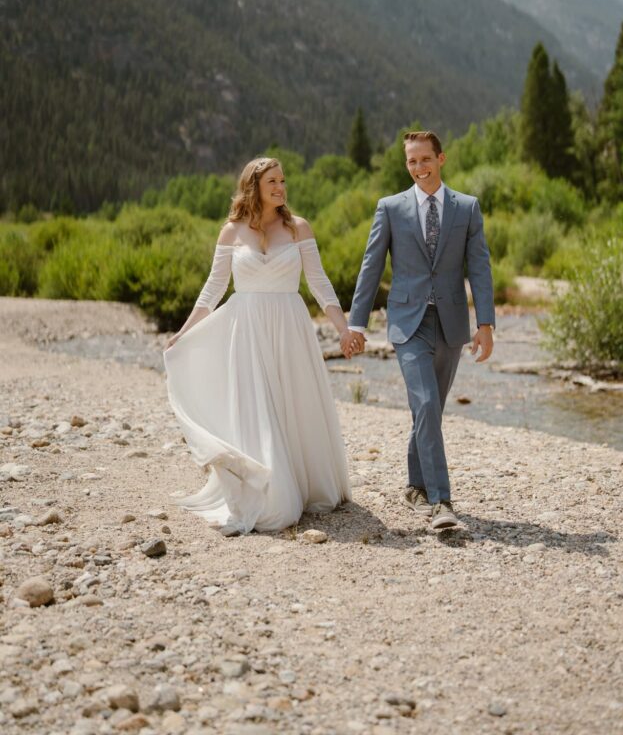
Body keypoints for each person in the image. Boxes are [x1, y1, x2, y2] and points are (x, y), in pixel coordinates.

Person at [164, 156, 352, 536]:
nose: (281, 187)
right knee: (258, 408)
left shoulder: (299, 229)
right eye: (272, 182)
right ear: (254, 187)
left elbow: (319, 284)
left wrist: (344, 330)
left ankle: (303, 484)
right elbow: (214, 289)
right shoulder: (231, 232)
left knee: (292, 404)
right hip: (246, 330)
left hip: (290, 327)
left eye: (283, 180)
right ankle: (272, 495)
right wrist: (183, 332)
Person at [348, 130, 495, 531]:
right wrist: (356, 323)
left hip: (451, 324)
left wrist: (485, 325)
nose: (418, 168)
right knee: (426, 404)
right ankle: (440, 502)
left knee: (431, 410)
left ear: (441, 159)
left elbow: (479, 267)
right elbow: (371, 266)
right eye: (411, 161)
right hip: (407, 322)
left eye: (424, 159)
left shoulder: (466, 208)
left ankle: (414, 485)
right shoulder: (390, 208)